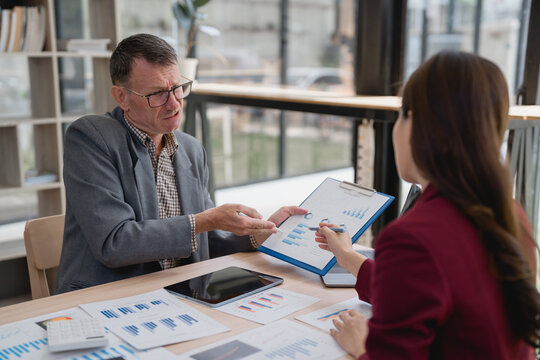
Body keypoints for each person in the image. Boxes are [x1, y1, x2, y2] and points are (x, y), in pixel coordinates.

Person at [315, 51, 539, 359]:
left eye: (399, 115)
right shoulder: (509, 214)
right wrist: (347, 256)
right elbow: (427, 293)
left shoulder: (414, 237)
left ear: (415, 123)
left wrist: (364, 347)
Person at [55, 33, 305, 294]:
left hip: (180, 297)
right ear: (122, 98)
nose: (174, 104)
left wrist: (259, 233)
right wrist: (203, 221)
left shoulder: (190, 149)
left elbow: (206, 241)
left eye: (177, 88)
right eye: (158, 94)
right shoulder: (91, 138)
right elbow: (114, 243)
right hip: (109, 298)